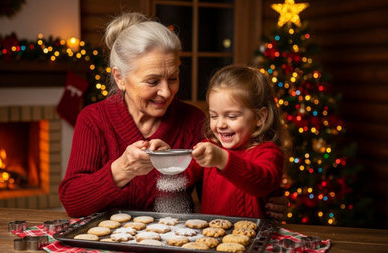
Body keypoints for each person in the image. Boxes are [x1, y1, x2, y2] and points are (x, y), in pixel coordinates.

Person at [58, 12, 287, 219]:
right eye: (153, 81)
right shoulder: (93, 119)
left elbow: (219, 190)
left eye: (173, 78)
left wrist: (266, 200)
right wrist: (122, 169)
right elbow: (72, 203)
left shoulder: (194, 121)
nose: (166, 92)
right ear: (120, 78)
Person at [185, 65, 284, 218]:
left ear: (259, 117)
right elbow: (182, 176)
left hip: (255, 239)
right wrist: (165, 156)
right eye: (214, 116)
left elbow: (263, 182)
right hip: (211, 238)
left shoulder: (268, 152)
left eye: (231, 116)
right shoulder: (210, 147)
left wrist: (222, 159)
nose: (220, 125)